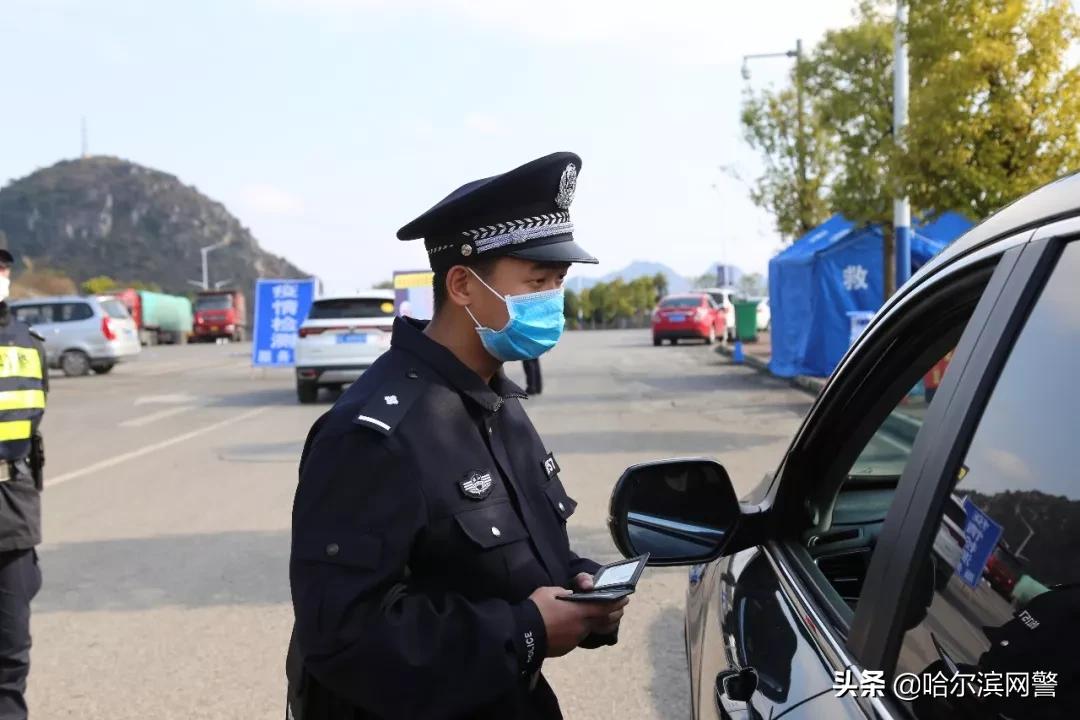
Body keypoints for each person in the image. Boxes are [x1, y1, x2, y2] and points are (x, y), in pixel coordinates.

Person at [287, 152, 628, 720]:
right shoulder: (373, 435)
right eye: (535, 282)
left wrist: (577, 585)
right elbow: (343, 636)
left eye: (559, 282)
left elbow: (504, 555)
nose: (552, 301)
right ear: (464, 286)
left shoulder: (497, 401)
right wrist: (525, 630)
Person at [0, 249, 47, 720]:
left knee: (11, 647)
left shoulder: (28, 344)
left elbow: (31, 429)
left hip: (11, 508)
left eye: (2, 267)